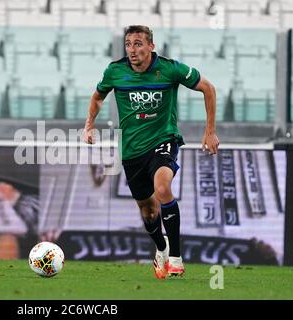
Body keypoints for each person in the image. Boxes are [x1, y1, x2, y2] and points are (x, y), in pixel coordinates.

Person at [82, 25, 220, 279]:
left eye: (138, 44)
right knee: (148, 210)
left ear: (151, 46)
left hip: (163, 139)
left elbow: (208, 89)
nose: (132, 50)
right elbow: (97, 96)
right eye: (128, 44)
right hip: (132, 150)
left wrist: (209, 131)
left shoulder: (169, 69)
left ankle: (176, 259)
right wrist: (89, 125)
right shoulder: (115, 71)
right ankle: (162, 248)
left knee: (163, 188)